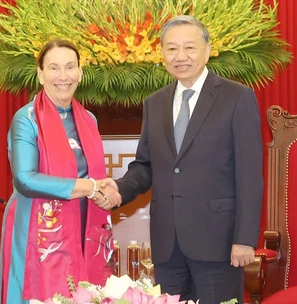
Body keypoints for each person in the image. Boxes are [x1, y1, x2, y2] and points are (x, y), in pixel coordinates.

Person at [99, 15, 263, 304]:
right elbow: (146, 165)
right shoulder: (155, 102)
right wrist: (118, 190)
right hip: (168, 245)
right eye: (172, 49)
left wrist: (245, 239)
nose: (180, 57)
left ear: (207, 50)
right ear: (162, 53)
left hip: (219, 243)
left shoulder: (236, 97)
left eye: (189, 48)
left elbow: (249, 174)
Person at [0, 39, 122, 304]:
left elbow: (95, 176)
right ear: (40, 74)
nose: (63, 76)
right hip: (38, 227)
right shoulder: (27, 119)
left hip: (84, 226)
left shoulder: (89, 119)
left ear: (80, 72)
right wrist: (89, 187)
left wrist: (104, 191)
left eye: (70, 67)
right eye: (54, 68)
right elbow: (24, 179)